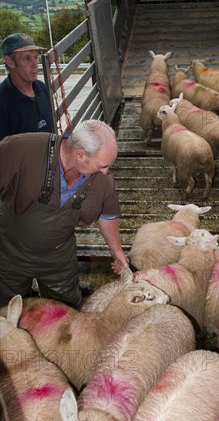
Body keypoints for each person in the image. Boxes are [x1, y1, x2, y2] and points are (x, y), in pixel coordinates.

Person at [0, 120, 130, 308]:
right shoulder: (19, 150)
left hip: (57, 256)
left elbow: (106, 214)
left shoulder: (102, 180)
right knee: (7, 309)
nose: (106, 171)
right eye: (102, 165)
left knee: (66, 311)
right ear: (81, 155)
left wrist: (116, 251)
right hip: (9, 252)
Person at [0, 32, 54, 140]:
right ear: (10, 62)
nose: (35, 64)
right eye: (27, 59)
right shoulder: (2, 100)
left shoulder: (42, 88)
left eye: (35, 57)